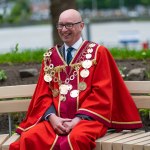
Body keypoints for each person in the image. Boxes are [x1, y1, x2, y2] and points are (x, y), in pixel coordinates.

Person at [10, 9, 143, 150]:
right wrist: (52, 118)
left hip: (88, 120)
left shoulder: (98, 53)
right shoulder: (50, 57)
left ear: (81, 26)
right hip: (55, 121)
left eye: (69, 25)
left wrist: (77, 120)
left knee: (76, 139)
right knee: (31, 137)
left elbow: (102, 93)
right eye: (60, 25)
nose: (63, 29)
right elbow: (43, 94)